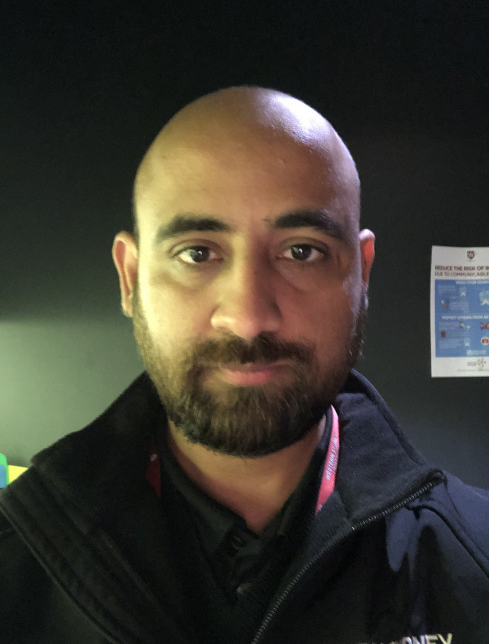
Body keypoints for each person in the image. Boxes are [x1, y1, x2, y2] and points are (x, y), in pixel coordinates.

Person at [0, 87, 488, 644]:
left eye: (302, 251)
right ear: (130, 279)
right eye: (197, 253)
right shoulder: (15, 568)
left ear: (362, 273)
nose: (249, 318)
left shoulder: (476, 561)